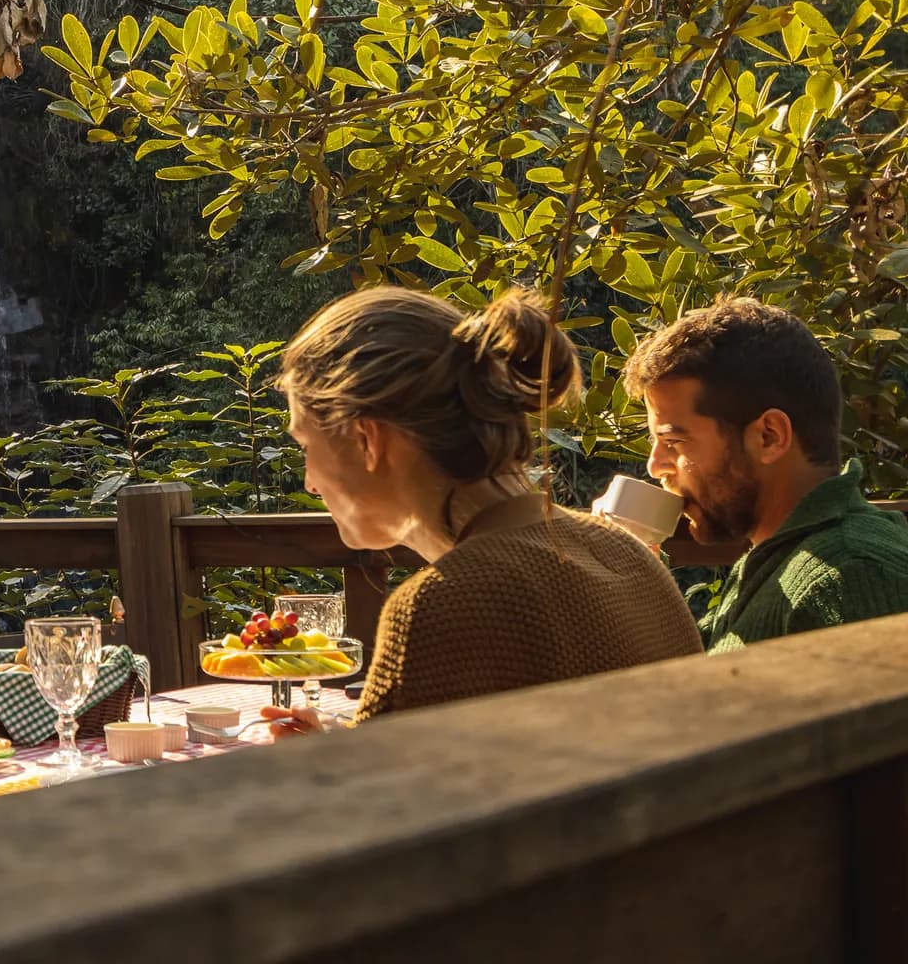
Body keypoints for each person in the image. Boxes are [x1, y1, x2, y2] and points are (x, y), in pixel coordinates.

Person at [261, 286, 702, 736]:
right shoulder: (624, 554)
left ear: (366, 440)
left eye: (306, 446)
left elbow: (396, 805)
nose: (310, 481)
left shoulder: (445, 604)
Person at [623, 297, 908, 653]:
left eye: (675, 441)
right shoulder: (776, 556)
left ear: (769, 436)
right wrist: (634, 570)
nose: (655, 465)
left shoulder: (854, 577)